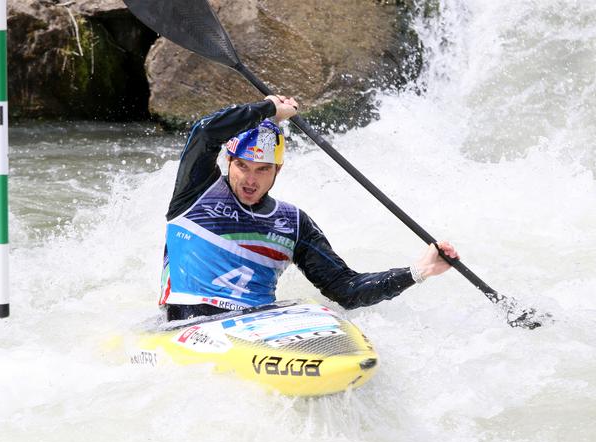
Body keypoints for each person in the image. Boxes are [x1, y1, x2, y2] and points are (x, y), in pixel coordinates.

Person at [158, 95, 459, 321]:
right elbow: (204, 132)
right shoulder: (196, 191)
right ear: (228, 162)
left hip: (258, 327)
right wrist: (268, 109)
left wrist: (419, 271)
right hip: (187, 324)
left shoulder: (293, 223)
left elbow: (346, 289)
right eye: (242, 166)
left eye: (262, 169)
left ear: (278, 170)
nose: (250, 179)